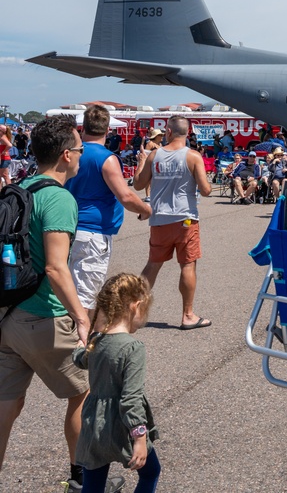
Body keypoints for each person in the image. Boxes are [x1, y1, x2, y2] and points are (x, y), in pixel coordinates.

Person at [0, 115, 90, 489]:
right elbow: (56, 267)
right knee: (84, 393)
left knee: (7, 405)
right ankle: (82, 478)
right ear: (67, 155)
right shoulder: (58, 198)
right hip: (44, 318)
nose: (82, 155)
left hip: (9, 315)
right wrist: (82, 317)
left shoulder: (20, 188)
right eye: (80, 149)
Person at [73, 274, 160, 493]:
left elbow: (81, 359)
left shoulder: (96, 341)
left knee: (94, 481)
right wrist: (140, 437)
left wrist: (78, 345)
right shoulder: (133, 347)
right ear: (135, 306)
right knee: (151, 472)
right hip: (123, 426)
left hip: (94, 424)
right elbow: (131, 398)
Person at [65, 105, 152, 321]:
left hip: (68, 227)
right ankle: (81, 344)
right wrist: (145, 209)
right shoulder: (106, 158)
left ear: (83, 127)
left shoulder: (70, 154)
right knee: (86, 296)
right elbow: (126, 196)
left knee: (67, 289)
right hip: (93, 233)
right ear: (107, 129)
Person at [132, 115, 213, 330]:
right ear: (187, 133)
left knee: (153, 264)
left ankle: (134, 311)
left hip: (159, 219)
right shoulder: (193, 156)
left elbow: (139, 185)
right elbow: (206, 191)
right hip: (185, 218)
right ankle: (188, 315)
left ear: (168, 132)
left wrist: (141, 163)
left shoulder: (154, 155)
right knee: (187, 264)